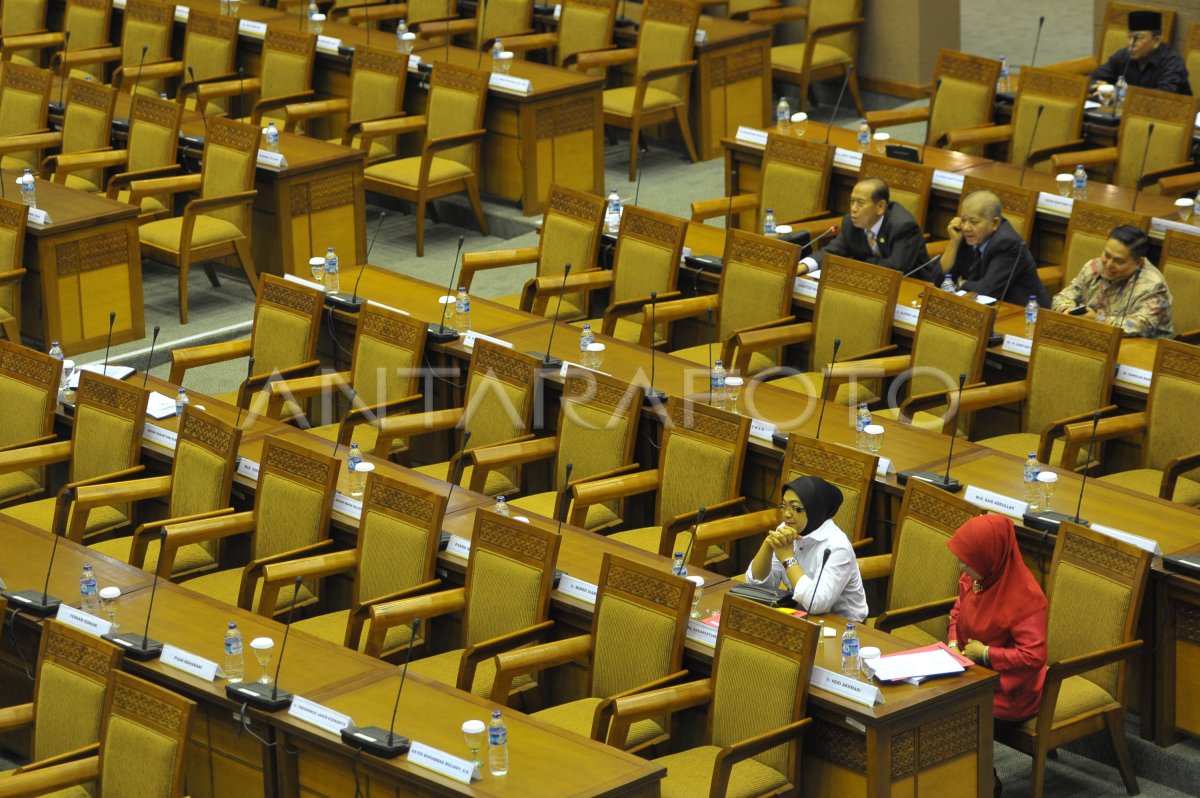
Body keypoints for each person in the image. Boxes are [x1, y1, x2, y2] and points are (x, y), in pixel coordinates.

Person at [948, 515, 1047, 798]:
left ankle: (984, 785)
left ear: (989, 557)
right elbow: (956, 612)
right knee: (930, 706)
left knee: (958, 718)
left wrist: (987, 654)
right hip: (970, 672)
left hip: (1011, 691)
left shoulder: (1026, 598)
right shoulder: (976, 577)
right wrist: (954, 642)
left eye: (968, 561)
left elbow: (1033, 656)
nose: (962, 567)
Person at [745, 475, 868, 621]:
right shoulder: (787, 530)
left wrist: (788, 558)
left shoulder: (837, 548)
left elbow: (816, 604)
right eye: (784, 506)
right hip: (799, 616)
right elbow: (759, 587)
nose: (787, 514)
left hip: (844, 628)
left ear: (814, 509)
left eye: (795, 508)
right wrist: (768, 545)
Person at [797, 178, 935, 281]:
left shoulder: (903, 226)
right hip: (871, 282)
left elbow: (896, 268)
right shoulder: (850, 223)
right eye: (852, 201)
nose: (853, 209)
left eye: (860, 203)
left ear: (880, 207)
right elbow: (832, 251)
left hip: (912, 285)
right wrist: (803, 266)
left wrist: (856, 264)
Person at [1052, 225, 1174, 338]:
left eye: (1119, 261)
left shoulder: (1153, 285)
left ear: (1139, 262)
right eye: (1107, 255)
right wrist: (1067, 310)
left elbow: (1141, 326)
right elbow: (1062, 297)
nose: (1109, 265)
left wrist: (1098, 320)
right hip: (1094, 339)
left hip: (1139, 350)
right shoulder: (1094, 267)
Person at [939, 190, 1051, 307]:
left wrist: (958, 284)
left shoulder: (1008, 243)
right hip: (988, 309)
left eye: (973, 221)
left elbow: (987, 290)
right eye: (963, 220)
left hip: (1024, 314)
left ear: (994, 223)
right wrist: (953, 243)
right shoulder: (966, 235)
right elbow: (939, 279)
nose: (966, 227)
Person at [1091, 11, 1192, 96]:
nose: (1131, 43)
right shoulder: (1123, 55)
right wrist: (1102, 88)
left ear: (1156, 41)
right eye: (1129, 37)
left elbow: (1162, 97)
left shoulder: (1172, 62)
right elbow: (1092, 79)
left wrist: (1119, 94)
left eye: (1138, 38)